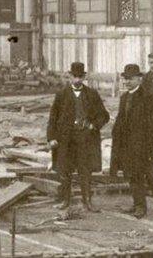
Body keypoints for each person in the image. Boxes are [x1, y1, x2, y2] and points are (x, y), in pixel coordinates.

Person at [46, 62, 110, 212]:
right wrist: (51, 138)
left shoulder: (92, 94)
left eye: (80, 77)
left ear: (84, 76)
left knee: (85, 170)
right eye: (74, 77)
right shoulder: (61, 94)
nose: (77, 80)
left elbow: (104, 115)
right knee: (65, 170)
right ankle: (65, 201)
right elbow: (53, 118)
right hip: (65, 140)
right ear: (69, 76)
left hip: (85, 139)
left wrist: (94, 125)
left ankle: (87, 201)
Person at [109, 64, 153, 219]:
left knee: (139, 174)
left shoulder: (148, 96)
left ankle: (141, 206)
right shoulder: (124, 97)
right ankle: (136, 202)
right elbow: (121, 118)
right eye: (125, 78)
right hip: (125, 143)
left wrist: (149, 143)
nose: (127, 81)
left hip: (141, 144)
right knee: (130, 174)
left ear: (139, 79)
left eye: (131, 79)